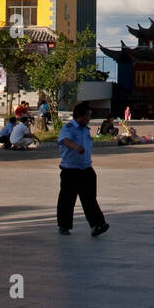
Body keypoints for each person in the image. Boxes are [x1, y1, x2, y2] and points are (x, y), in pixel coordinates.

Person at [57, 101, 108, 236]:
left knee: (90, 198)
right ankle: (64, 226)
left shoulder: (86, 129)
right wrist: (75, 147)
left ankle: (97, 225)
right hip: (70, 170)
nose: (89, 118)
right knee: (67, 199)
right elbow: (65, 140)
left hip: (86, 169)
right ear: (80, 116)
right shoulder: (68, 128)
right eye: (87, 116)